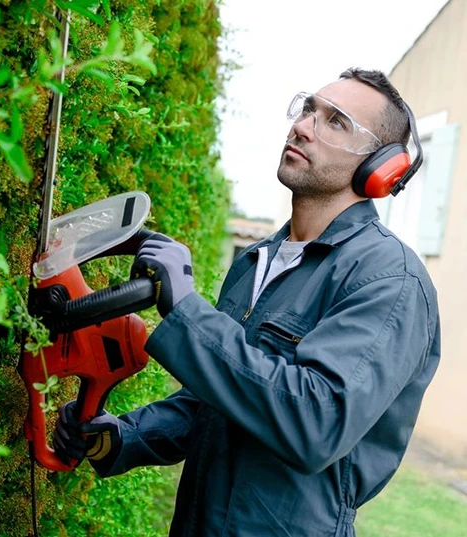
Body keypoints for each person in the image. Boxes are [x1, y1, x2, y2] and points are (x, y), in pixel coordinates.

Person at [52, 68, 441, 537]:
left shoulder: (389, 279)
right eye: (308, 109)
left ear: (382, 168)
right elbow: (213, 401)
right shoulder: (257, 260)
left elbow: (315, 422)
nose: (302, 126)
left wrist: (187, 310)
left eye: (335, 122)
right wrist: (118, 437)